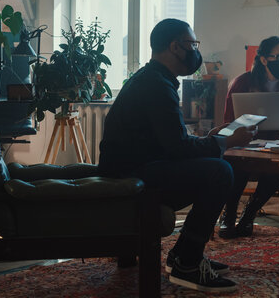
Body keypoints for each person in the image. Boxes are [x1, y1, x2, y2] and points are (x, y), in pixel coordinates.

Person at [98, 18, 256, 293]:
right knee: (220, 171)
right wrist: (225, 142)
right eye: (192, 44)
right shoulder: (158, 85)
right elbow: (177, 148)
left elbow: (169, 141)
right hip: (131, 177)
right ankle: (187, 263)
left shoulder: (152, 78)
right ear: (175, 46)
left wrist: (211, 140)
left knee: (215, 165)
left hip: (133, 168)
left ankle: (183, 254)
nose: (196, 50)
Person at [219, 36, 279, 239]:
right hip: (244, 142)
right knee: (238, 164)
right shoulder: (243, 82)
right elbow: (229, 118)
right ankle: (229, 215)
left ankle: (250, 214)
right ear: (264, 59)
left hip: (274, 145)